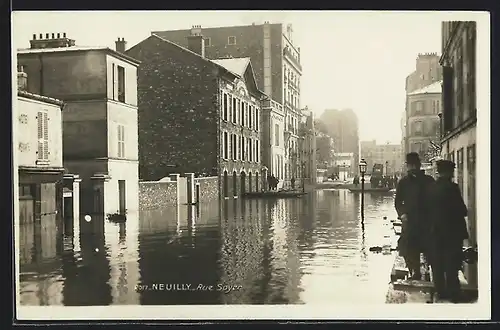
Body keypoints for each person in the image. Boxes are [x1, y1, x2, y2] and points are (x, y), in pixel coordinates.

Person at [427, 160, 469, 303]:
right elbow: (462, 210)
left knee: (437, 263)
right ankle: (455, 294)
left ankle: (441, 292)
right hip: (452, 232)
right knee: (452, 263)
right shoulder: (452, 188)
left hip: (435, 231)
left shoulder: (431, 188)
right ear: (450, 172)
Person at [394, 152, 435, 280]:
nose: (412, 168)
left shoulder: (429, 180)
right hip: (410, 220)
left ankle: (430, 270)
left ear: (418, 165)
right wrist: (402, 214)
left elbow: (435, 200)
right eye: (410, 165)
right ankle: (415, 271)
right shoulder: (403, 182)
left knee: (429, 246)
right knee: (408, 247)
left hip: (426, 220)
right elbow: (398, 201)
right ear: (407, 166)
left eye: (414, 165)